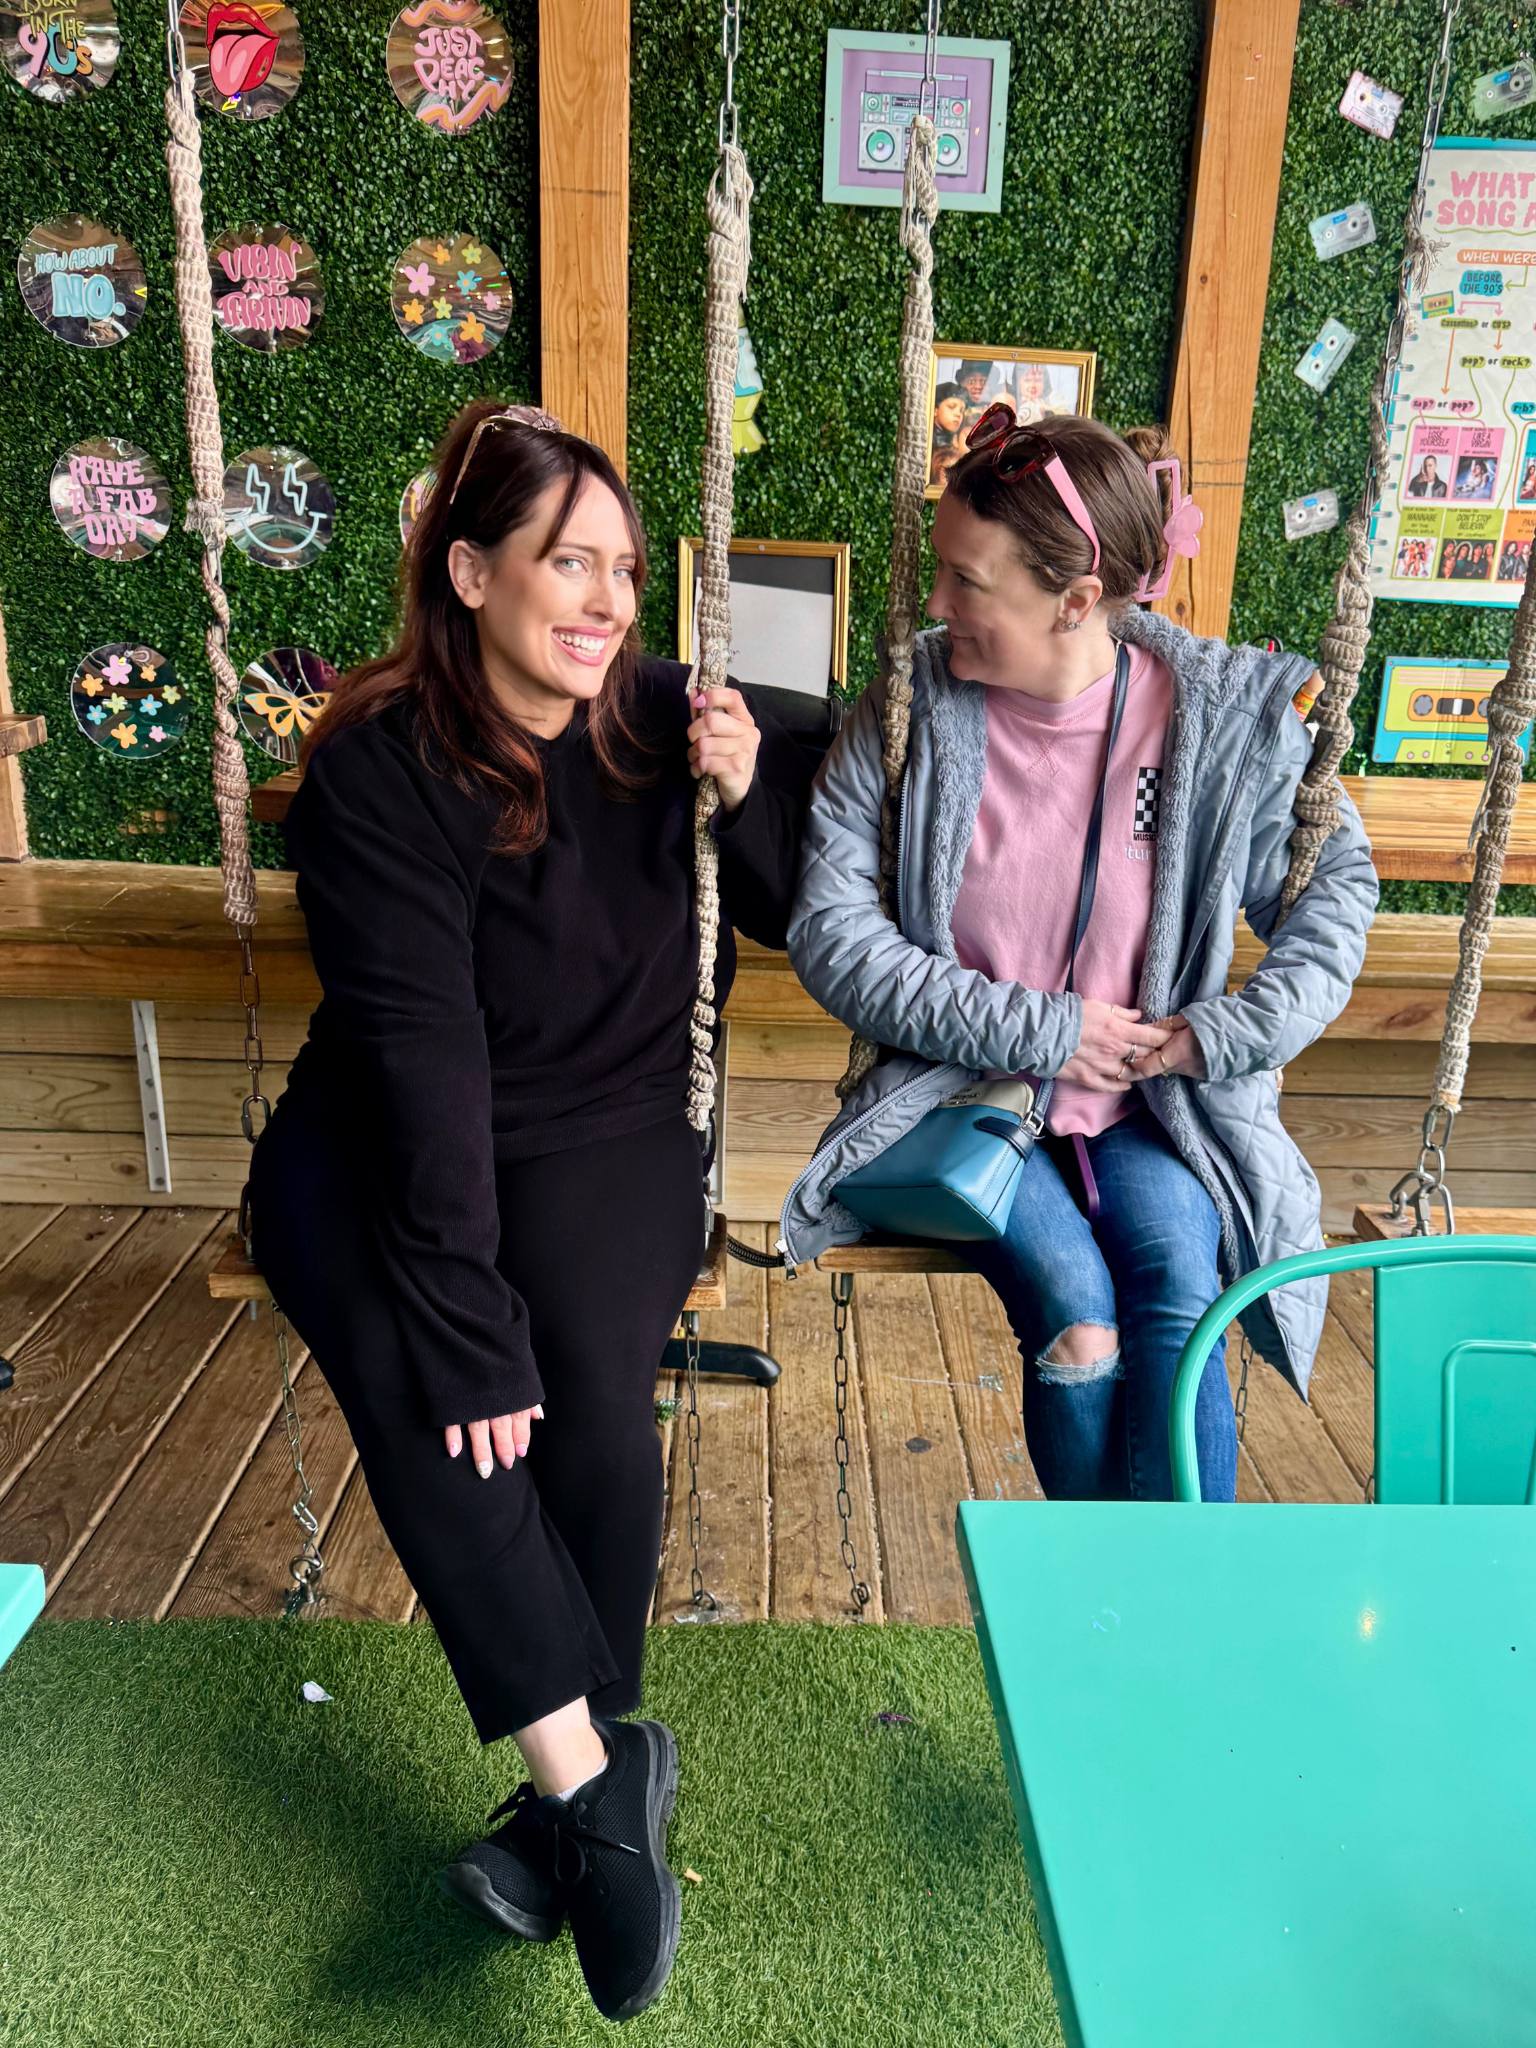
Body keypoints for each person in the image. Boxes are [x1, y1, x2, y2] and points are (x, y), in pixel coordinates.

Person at [248, 398, 813, 2023]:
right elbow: (422, 1071)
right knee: (445, 1371)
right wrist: (466, 1324)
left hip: (621, 1121)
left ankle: (562, 1804)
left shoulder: (665, 716)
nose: (606, 601)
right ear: (472, 568)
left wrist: (750, 778)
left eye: (625, 569)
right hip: (383, 1124)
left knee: (583, 1391)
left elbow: (781, 907)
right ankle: (594, 1782)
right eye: (568, 562)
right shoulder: (377, 767)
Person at [780, 405, 1378, 1503]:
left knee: (1182, 1296)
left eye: (969, 582)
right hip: (958, 1096)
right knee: (1082, 1314)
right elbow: (830, 933)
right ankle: (1107, 1617)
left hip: (1156, 1108)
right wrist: (1050, 1029)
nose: (935, 603)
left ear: (1075, 600)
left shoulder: (1220, 724)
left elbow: (1337, 888)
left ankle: (1158, 1625)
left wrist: (1220, 1033)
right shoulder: (909, 707)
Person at [931, 380, 968, 483]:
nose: (958, 414)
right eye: (951, 407)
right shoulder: (926, 446)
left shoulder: (960, 446)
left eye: (962, 410)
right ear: (935, 410)